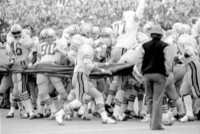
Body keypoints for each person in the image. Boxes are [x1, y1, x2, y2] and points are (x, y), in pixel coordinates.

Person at [136, 24, 173, 130]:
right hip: (159, 74)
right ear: (161, 35)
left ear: (151, 35)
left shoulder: (144, 45)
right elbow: (168, 61)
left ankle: (152, 121)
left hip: (147, 75)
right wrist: (166, 72)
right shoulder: (165, 46)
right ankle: (156, 125)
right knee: (157, 99)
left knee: (149, 98)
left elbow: (139, 61)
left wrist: (141, 72)